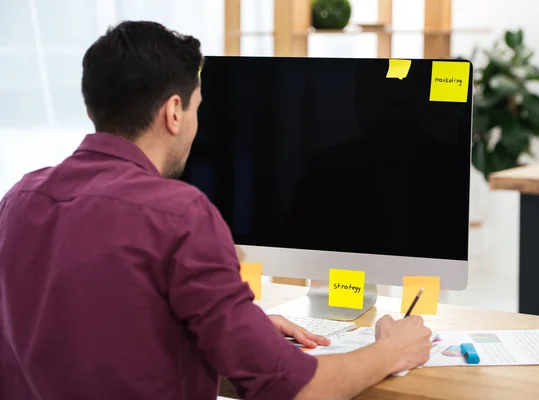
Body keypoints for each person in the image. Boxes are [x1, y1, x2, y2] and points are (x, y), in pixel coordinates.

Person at [0, 21, 432, 400]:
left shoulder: (20, 198)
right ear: (174, 111)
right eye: (197, 108)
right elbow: (295, 387)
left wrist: (243, 323)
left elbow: (98, 313)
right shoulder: (180, 214)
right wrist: (390, 350)